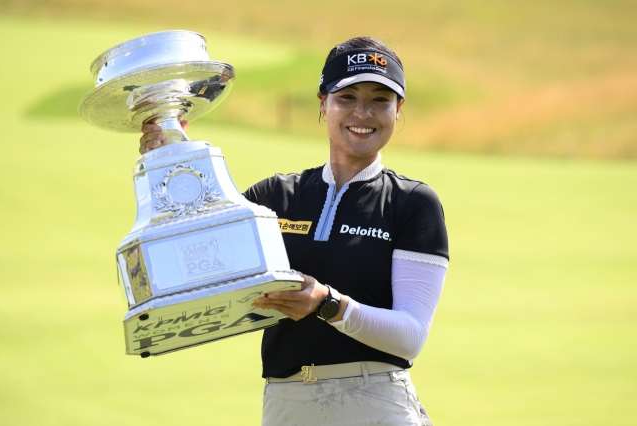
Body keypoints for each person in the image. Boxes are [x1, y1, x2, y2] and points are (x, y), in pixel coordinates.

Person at [139, 36, 449, 426]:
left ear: (398, 109)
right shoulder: (274, 196)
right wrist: (167, 160)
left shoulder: (412, 203)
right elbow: (198, 250)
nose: (363, 112)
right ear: (323, 103)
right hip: (286, 402)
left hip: (375, 402)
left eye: (380, 100)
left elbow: (410, 336)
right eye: (347, 97)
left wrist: (328, 304)